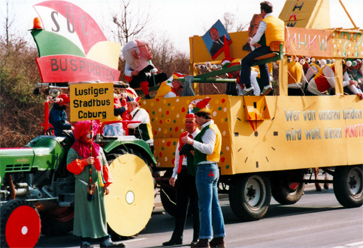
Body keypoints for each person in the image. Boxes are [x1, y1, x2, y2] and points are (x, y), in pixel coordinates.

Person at [66, 120, 125, 248]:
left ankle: (105, 240)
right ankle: (85, 242)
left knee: (100, 213)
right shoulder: (74, 149)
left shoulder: (98, 148)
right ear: (81, 132)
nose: (90, 133)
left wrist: (107, 184)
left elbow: (105, 166)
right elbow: (70, 166)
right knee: (85, 213)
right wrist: (84, 162)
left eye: (92, 130)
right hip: (83, 187)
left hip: (97, 186)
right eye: (88, 130)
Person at [181, 98, 225, 248]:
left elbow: (208, 149)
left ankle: (204, 239)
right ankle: (219, 238)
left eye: (196, 117)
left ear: (202, 117)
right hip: (211, 168)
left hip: (205, 169)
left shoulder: (209, 130)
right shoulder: (213, 128)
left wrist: (191, 142)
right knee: (214, 205)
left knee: (204, 206)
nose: (195, 120)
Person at [162, 113, 200, 246]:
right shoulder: (183, 136)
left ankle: (198, 237)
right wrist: (174, 175)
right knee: (180, 207)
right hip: (183, 173)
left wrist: (192, 148)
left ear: (196, 123)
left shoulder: (199, 136)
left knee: (196, 207)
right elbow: (178, 156)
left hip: (194, 173)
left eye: (190, 122)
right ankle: (177, 237)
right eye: (186, 122)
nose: (188, 124)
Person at [239, 1, 284, 96]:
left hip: (268, 48)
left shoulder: (264, 22)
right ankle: (267, 85)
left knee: (245, 61)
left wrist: (251, 41)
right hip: (278, 48)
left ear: (263, 11)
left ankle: (248, 86)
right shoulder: (280, 21)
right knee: (261, 61)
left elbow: (257, 37)